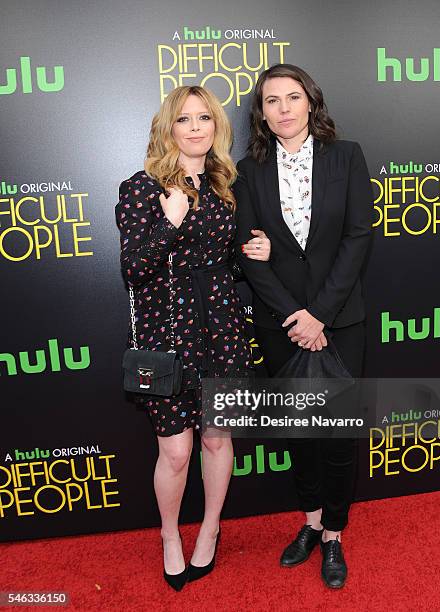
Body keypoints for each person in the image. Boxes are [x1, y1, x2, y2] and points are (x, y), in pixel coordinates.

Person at [115, 85, 271, 591]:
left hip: (223, 328)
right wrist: (169, 220)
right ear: (169, 128)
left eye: (205, 118)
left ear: (217, 128)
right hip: (167, 335)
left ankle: (210, 527)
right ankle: (168, 534)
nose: (197, 127)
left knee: (217, 437)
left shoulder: (230, 186)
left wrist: (256, 252)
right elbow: (135, 269)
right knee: (176, 452)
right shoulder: (142, 188)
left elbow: (227, 264)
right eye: (185, 119)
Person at [233, 64, 373, 589]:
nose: (284, 108)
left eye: (294, 97)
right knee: (300, 433)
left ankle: (335, 533)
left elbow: (358, 238)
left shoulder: (347, 156)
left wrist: (321, 315)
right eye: (273, 101)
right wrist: (296, 317)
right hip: (281, 324)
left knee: (338, 436)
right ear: (261, 112)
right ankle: (310, 523)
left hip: (340, 321)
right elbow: (250, 254)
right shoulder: (248, 170)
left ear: (311, 103)